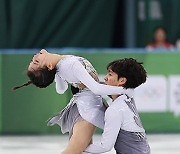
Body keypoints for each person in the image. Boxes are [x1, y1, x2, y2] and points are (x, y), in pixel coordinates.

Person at [13, 49, 129, 154]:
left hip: (81, 106)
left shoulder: (60, 66)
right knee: (74, 151)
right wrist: (125, 90)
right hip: (87, 109)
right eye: (36, 62)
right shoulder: (70, 65)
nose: (35, 57)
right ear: (48, 66)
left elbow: (61, 89)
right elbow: (96, 88)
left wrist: (57, 74)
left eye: (33, 60)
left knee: (81, 150)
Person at [84, 58, 150, 154]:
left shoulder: (116, 109)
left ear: (122, 80)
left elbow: (104, 146)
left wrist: (79, 147)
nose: (105, 78)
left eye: (110, 74)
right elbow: (101, 87)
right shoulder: (128, 97)